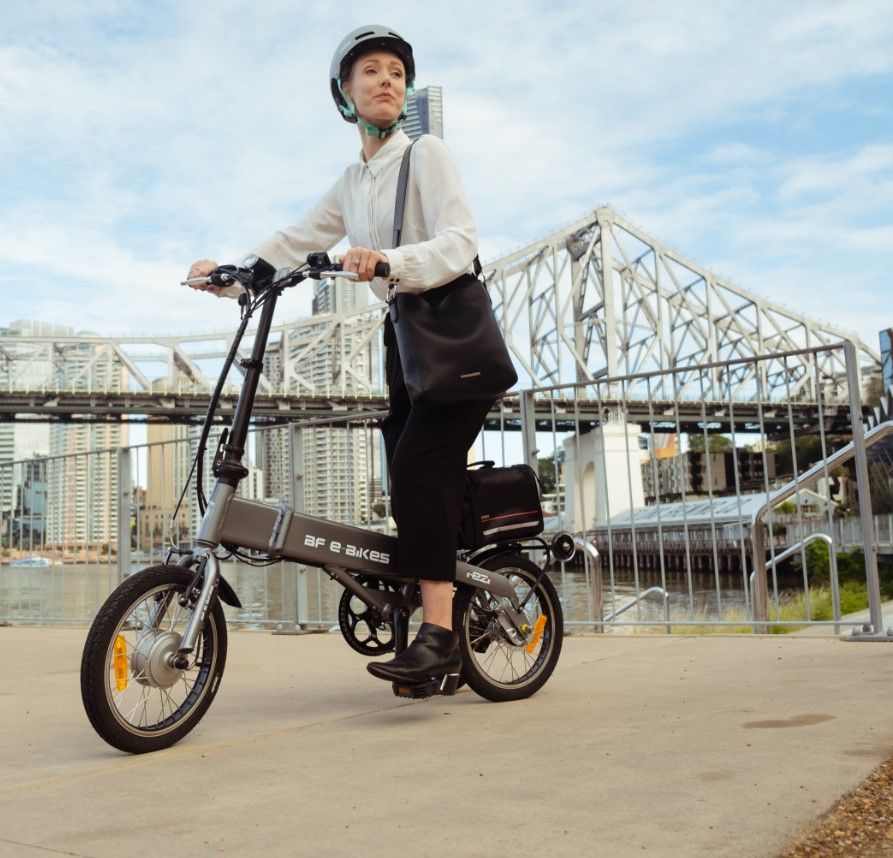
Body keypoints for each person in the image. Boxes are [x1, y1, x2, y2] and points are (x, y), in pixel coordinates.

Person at [186, 25, 495, 695]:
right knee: (407, 474)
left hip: (452, 333)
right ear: (344, 95)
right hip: (405, 337)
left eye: (395, 73)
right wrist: (231, 276)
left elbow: (459, 239)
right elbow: (295, 242)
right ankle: (426, 615)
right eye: (369, 73)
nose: (386, 81)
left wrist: (389, 260)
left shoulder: (428, 153)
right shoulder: (351, 181)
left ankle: (438, 636)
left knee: (419, 463)